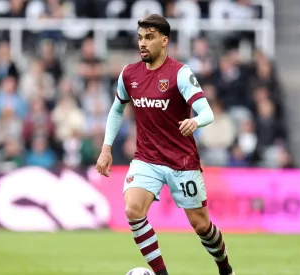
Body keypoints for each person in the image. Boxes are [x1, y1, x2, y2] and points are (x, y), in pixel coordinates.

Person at [95, 14, 235, 275]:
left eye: (149, 37)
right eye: (139, 38)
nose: (142, 43)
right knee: (132, 209)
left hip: (181, 161)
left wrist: (195, 122)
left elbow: (207, 112)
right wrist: (106, 148)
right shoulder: (129, 74)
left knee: (201, 226)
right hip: (146, 158)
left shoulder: (179, 73)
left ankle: (225, 269)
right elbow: (116, 110)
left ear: (164, 40)